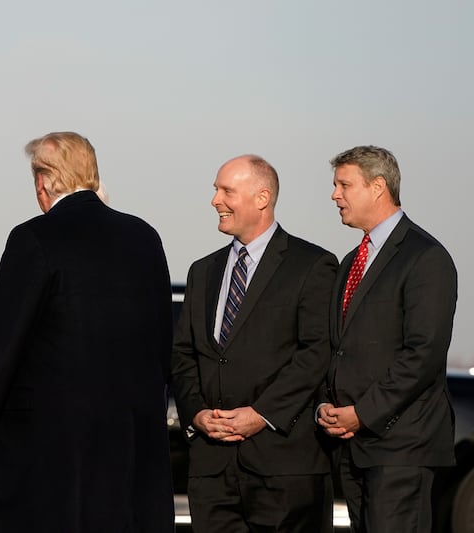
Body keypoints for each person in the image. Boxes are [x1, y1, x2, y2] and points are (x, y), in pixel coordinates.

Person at [0, 131, 175, 533]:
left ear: (43, 182)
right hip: (132, 438)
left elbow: (3, 343)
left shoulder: (33, 237)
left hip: (52, 444)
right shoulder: (144, 236)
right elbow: (163, 339)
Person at [170, 155, 338, 532]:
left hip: (282, 470)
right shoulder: (203, 271)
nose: (215, 200)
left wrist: (260, 414)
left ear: (262, 198)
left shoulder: (312, 265)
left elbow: (315, 352)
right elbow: (183, 354)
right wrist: (196, 413)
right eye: (215, 190)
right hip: (212, 475)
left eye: (226, 190)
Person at [317, 146, 457, 532]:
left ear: (378, 187)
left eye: (344, 184)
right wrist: (328, 405)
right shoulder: (351, 261)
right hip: (354, 448)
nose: (334, 195)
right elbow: (339, 348)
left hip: (402, 447)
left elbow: (423, 354)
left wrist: (362, 413)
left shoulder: (425, 257)